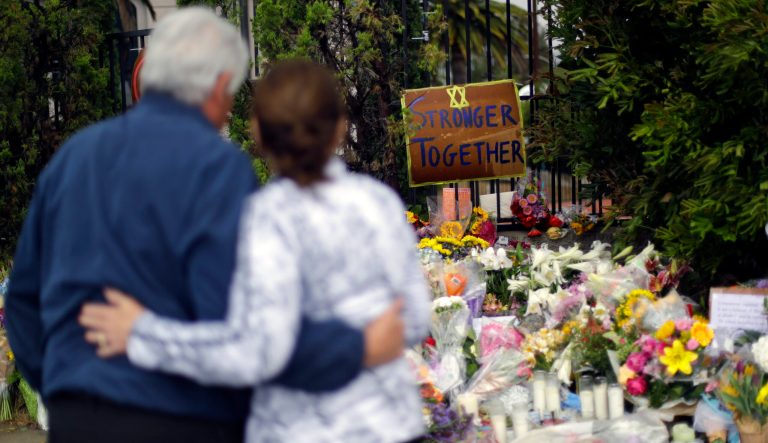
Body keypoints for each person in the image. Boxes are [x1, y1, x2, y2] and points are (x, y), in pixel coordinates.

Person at [5, 8, 405, 443]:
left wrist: (68, 383)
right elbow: (245, 324)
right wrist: (356, 348)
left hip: (78, 418)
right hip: (184, 418)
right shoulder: (217, 169)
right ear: (217, 87)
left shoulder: (73, 159)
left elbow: (23, 302)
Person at [79, 59, 431, 442]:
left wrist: (142, 333)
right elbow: (413, 319)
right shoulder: (379, 203)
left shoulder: (265, 219)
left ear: (258, 133)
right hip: (392, 424)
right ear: (340, 128)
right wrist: (363, 340)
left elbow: (255, 350)